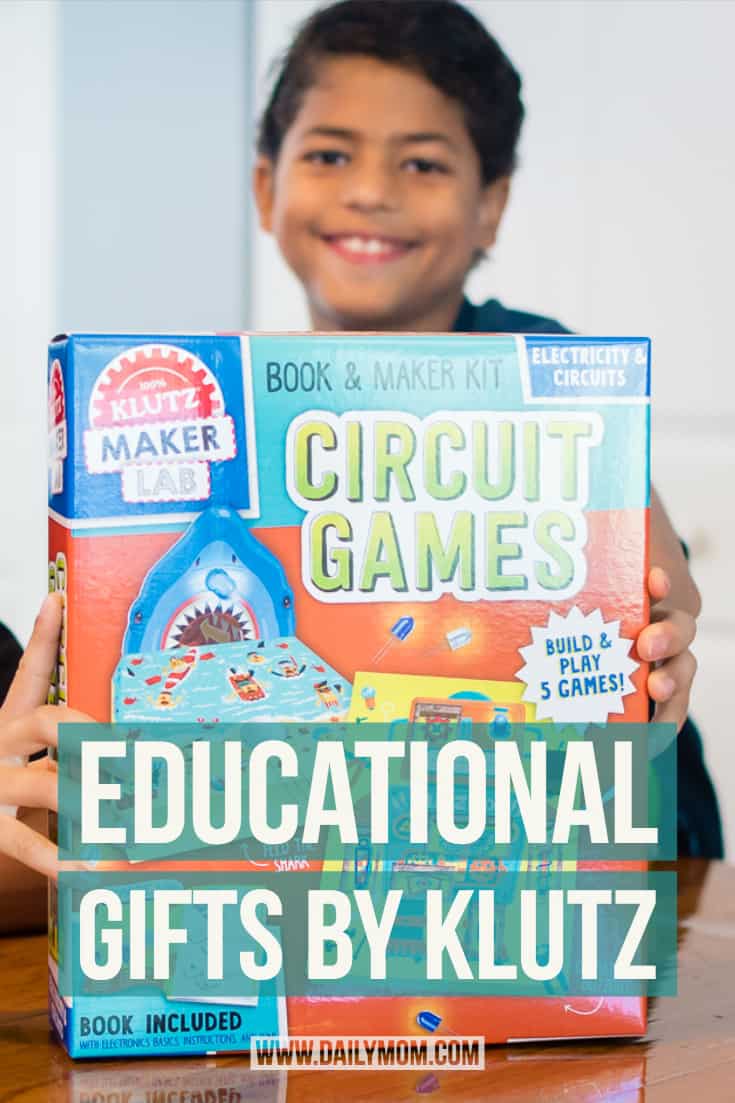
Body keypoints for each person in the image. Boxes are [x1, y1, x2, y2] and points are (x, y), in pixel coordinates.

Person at [0, 0, 722, 927]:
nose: (371, 191)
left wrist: (660, 628)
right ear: (267, 189)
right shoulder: (240, 407)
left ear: (491, 204)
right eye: (330, 155)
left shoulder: (540, 372)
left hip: (633, 857)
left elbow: (656, 573)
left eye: (421, 163)